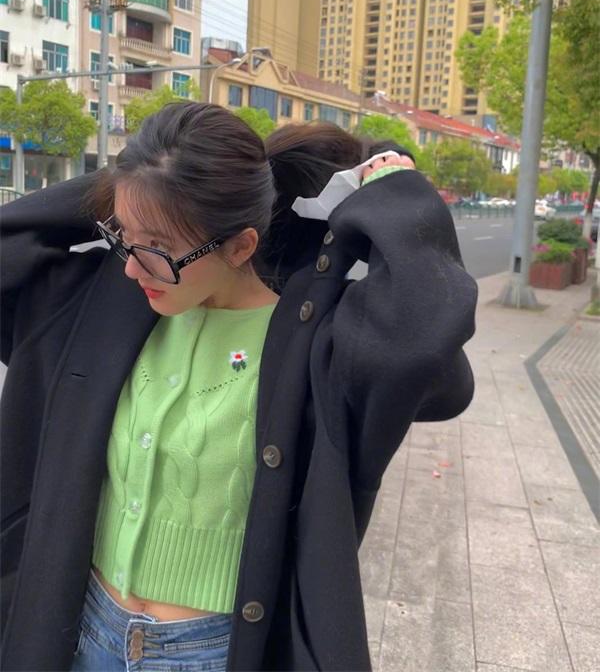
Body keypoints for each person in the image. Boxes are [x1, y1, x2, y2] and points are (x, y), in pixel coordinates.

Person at [0, 103, 477, 672]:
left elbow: (428, 344)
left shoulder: (317, 348)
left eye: (157, 248)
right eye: (122, 237)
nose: (132, 267)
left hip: (211, 653)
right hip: (84, 636)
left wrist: (397, 193)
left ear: (240, 246)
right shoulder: (101, 310)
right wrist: (143, 176)